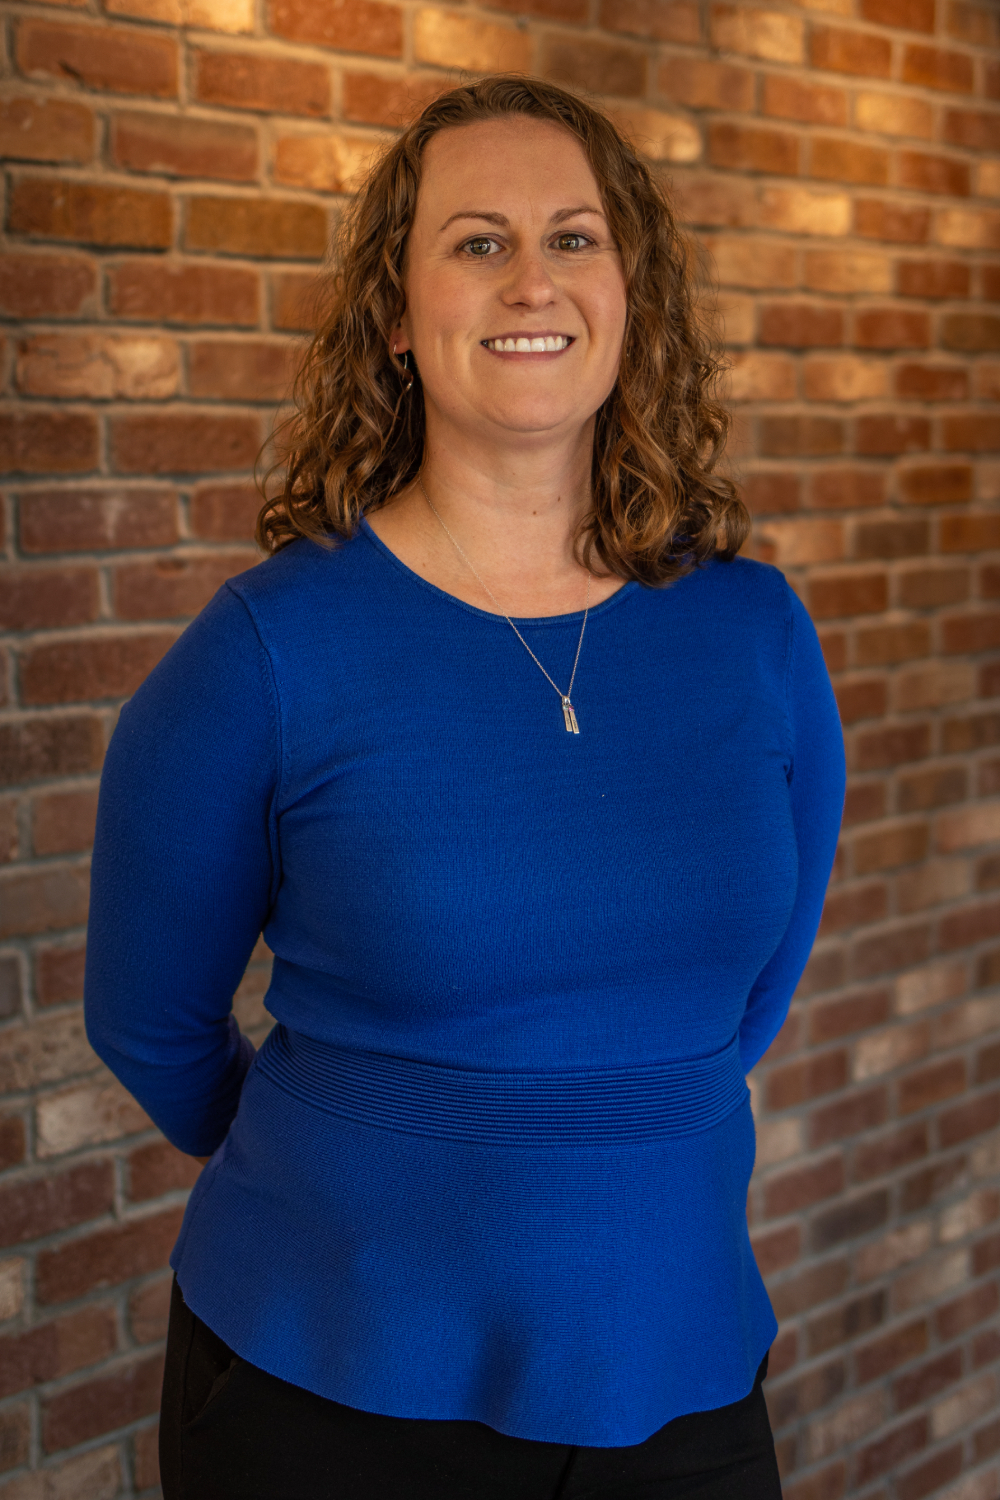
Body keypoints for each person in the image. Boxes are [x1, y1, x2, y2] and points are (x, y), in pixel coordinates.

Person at [84, 74, 845, 1500]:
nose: (530, 279)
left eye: (574, 237)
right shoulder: (269, 650)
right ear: (395, 309)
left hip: (679, 1382)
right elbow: (149, 1025)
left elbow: (745, 1003)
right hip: (330, 1389)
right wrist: (373, 1150)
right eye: (476, 241)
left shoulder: (756, 635)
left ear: (631, 293)